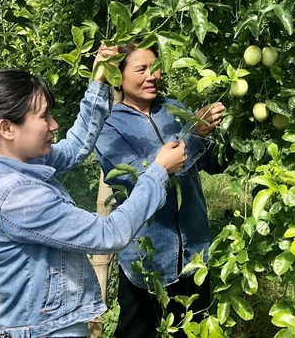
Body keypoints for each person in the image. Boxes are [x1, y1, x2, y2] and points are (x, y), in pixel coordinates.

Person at [0, 45, 188, 338]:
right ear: (7, 128)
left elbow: (72, 150)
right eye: (44, 117)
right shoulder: (15, 195)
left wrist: (99, 82)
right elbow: (109, 235)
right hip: (44, 331)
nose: (54, 125)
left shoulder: (2, 163)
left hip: (27, 321)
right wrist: (158, 172)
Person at [95, 42, 228, 338]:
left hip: (195, 252)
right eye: (141, 69)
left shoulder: (174, 109)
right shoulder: (108, 127)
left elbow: (212, 163)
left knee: (191, 331)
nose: (151, 76)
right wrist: (194, 133)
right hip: (147, 259)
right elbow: (138, 176)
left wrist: (230, 131)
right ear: (119, 77)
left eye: (155, 68)